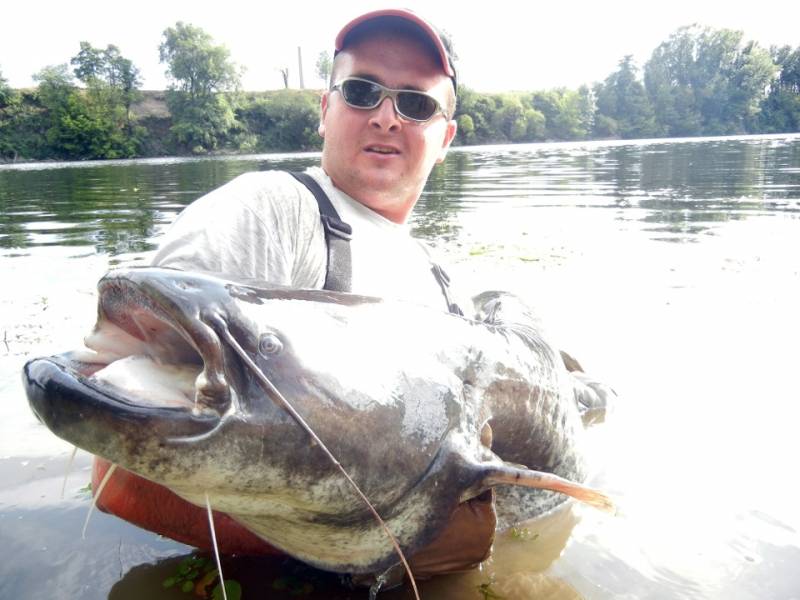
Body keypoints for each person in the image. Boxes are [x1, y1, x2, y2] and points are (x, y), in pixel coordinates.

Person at [93, 8, 497, 581]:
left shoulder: (441, 278)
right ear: (324, 110)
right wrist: (377, 550)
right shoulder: (271, 211)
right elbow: (120, 479)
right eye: (362, 91)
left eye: (416, 103)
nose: (387, 117)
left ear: (446, 136)